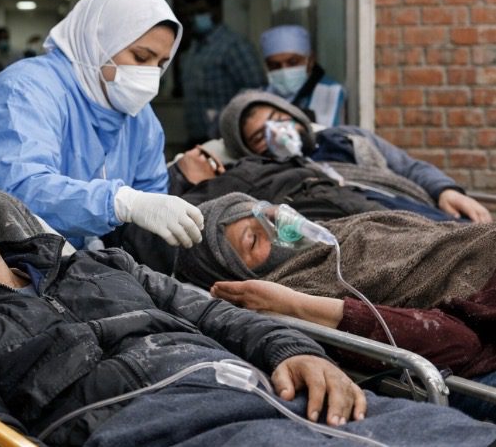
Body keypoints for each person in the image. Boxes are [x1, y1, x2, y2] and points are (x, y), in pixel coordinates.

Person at [0, 148, 496, 447]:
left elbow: (216, 313)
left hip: (272, 394)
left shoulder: (95, 263)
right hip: (152, 429)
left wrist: (298, 350)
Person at [0, 0, 203, 258]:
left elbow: (151, 199)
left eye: (160, 64)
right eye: (141, 57)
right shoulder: (25, 91)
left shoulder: (140, 119)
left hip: (61, 259)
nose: (151, 75)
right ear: (99, 42)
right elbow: (19, 194)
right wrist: (121, 203)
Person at [176, 192, 496, 419]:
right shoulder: (301, 290)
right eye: (254, 239)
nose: (275, 226)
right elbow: (459, 344)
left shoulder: (343, 230)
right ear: (243, 277)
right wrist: (296, 304)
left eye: (267, 213)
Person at [212, 90, 490, 223]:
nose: (277, 132)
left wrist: (446, 191)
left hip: (441, 215)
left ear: (293, 115)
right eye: (260, 137)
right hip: (412, 236)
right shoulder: (283, 185)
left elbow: (409, 167)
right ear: (251, 153)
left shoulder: (346, 138)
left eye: (277, 118)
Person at [179, 0, 268, 144]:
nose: (195, 18)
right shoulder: (194, 47)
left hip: (226, 136)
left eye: (201, 11)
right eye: (191, 13)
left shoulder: (233, 46)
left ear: (216, 11)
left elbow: (256, 89)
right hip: (197, 136)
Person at [260, 24, 347, 126]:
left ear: (310, 61)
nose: (284, 70)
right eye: (275, 65)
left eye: (293, 62)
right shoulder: (261, 95)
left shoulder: (329, 92)